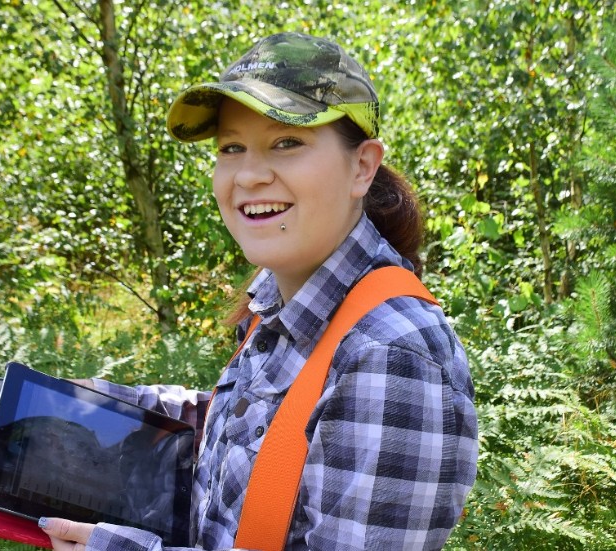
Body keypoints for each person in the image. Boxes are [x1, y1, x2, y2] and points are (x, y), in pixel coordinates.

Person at [39, 31, 478, 550]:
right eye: (231, 147)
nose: (248, 175)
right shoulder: (280, 304)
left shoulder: (389, 355)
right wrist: (89, 406)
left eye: (286, 142)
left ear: (362, 166)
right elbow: (262, 435)